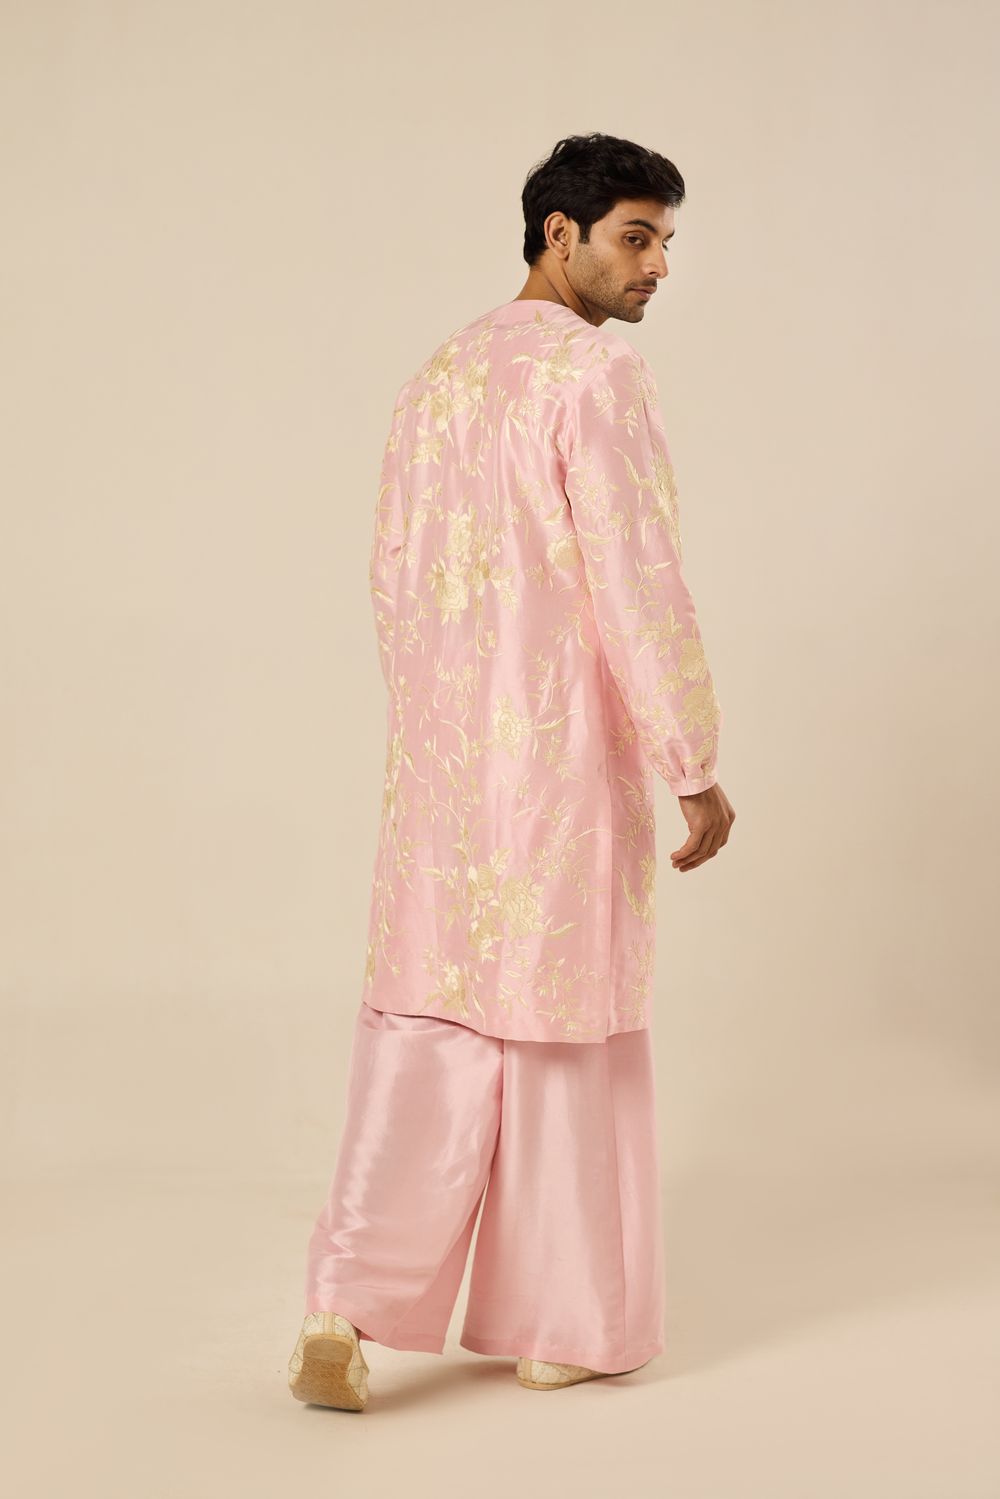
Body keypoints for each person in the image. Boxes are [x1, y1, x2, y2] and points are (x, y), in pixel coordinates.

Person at [288, 131, 735, 1411]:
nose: (657, 267)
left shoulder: (439, 375)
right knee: (565, 1028)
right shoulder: (594, 373)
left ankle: (343, 1303)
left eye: (665, 242)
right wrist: (689, 757)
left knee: (427, 1023)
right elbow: (637, 578)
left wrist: (432, 719)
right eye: (636, 237)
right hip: (559, 759)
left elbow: (388, 574)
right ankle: (561, 1324)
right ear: (559, 233)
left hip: (441, 768)